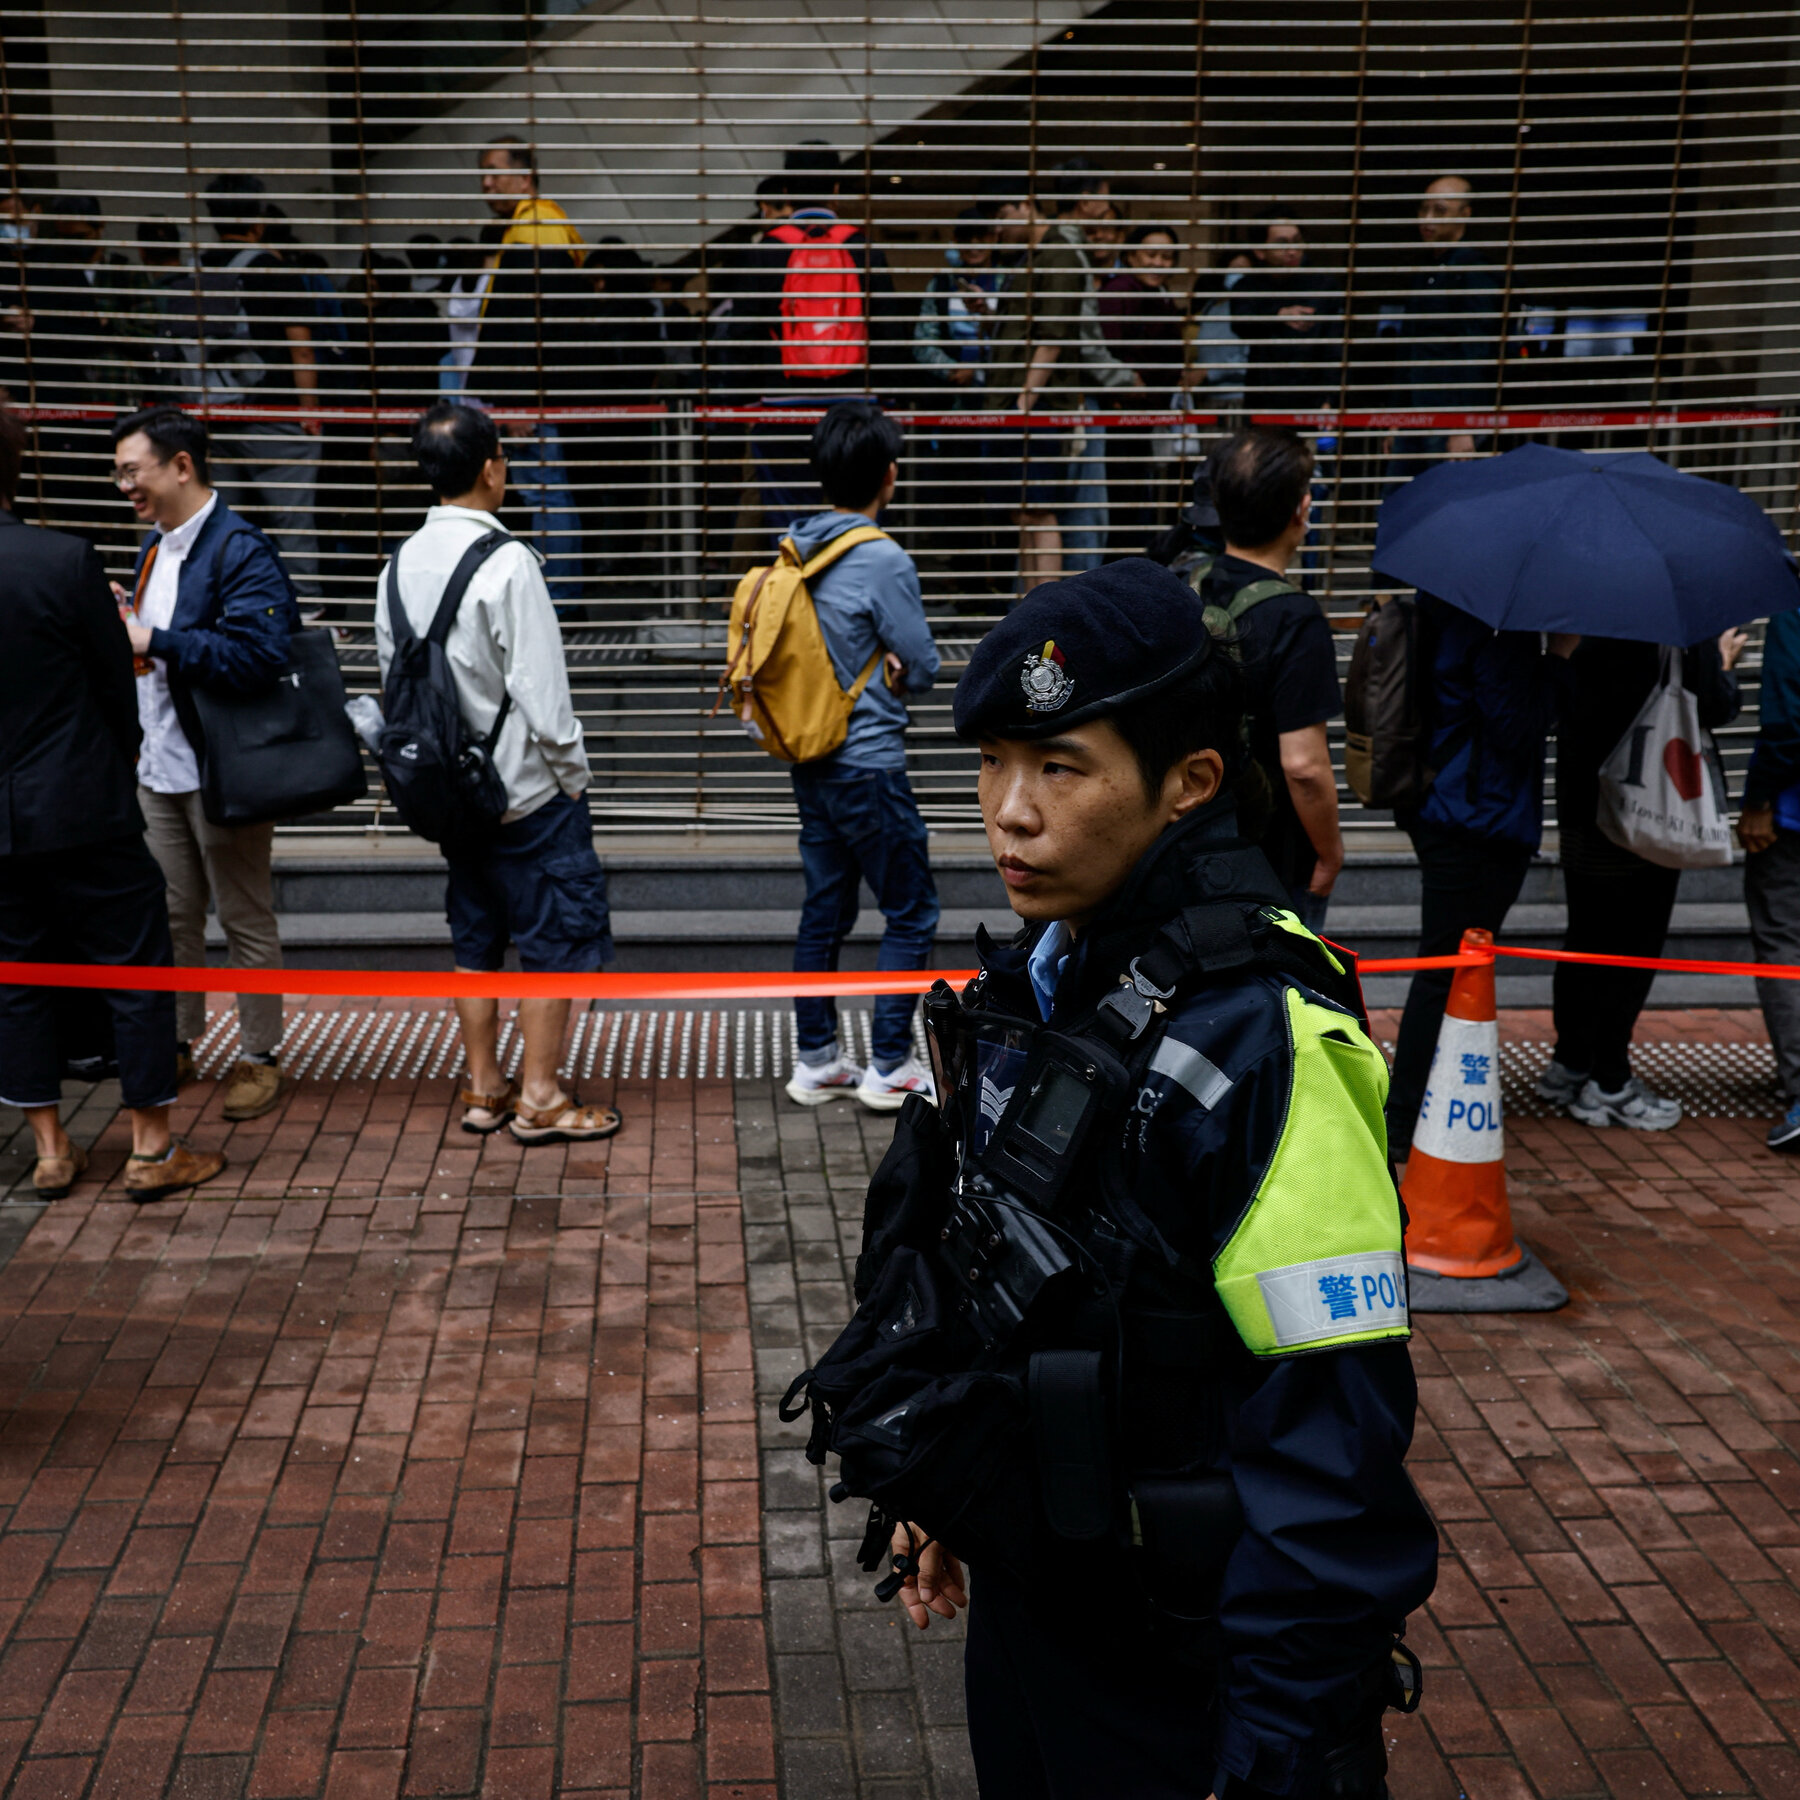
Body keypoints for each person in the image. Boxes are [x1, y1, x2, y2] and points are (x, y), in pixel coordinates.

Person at [832, 559, 1434, 1797]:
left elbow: (1331, 1447)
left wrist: (1277, 1746)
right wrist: (957, 1496)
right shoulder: (1053, 976)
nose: (1009, 811)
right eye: (993, 762)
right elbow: (1024, 1284)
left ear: (1190, 785)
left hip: (1189, 1662)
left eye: (1060, 767)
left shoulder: (1274, 1041)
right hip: (1040, 1612)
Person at [0, 397, 226, 1199]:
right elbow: (115, 686)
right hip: (84, 805)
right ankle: (152, 1148)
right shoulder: (62, 562)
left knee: (18, 978)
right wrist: (113, 765)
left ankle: (52, 1149)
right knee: (136, 965)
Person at [380, 402, 620, 1145]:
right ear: (490, 469)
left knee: (475, 937)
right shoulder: (509, 561)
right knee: (548, 941)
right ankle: (541, 1097)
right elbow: (545, 699)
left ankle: (485, 1089)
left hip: (449, 797)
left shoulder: (396, 564)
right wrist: (573, 775)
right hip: (523, 795)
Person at [110, 404, 297, 1122]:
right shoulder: (154, 547)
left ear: (180, 465)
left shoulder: (239, 548)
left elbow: (259, 656)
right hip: (159, 763)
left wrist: (152, 635)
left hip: (225, 770)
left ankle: (259, 1056)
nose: (125, 485)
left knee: (244, 915)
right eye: (121, 473)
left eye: (133, 471)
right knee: (170, 913)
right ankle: (182, 1040)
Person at [780, 402, 942, 1111]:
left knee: (824, 910)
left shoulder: (794, 546)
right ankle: (890, 1064)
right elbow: (925, 662)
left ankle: (817, 1059)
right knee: (910, 911)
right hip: (869, 762)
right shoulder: (881, 556)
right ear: (891, 476)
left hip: (811, 759)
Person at [1385, 597, 1579, 1159]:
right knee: (1445, 970)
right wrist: (1560, 658)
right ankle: (1404, 1121)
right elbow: (1516, 725)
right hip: (1478, 819)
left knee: (1445, 967)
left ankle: (1421, 1108)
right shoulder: (1500, 626)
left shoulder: (1441, 603)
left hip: (1445, 806)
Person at [1538, 632, 1743, 1131]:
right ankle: (1610, 1081)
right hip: (1650, 815)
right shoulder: (1674, 633)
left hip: (1585, 806)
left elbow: (1557, 707)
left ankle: (1570, 1063)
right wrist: (1723, 662)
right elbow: (1717, 704)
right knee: (1633, 947)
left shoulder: (1579, 624)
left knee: (1585, 937)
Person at [1184, 427, 1344, 933]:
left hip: (1186, 841)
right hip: (1271, 859)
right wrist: (1330, 853)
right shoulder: (1296, 617)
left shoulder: (1185, 586)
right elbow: (1304, 766)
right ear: (1301, 510)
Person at [732, 143, 900, 525]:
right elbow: (889, 328)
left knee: (789, 516)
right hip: (855, 405)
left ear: (787, 192)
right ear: (837, 189)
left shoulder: (767, 249)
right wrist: (888, 398)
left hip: (783, 405)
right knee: (858, 514)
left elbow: (743, 332)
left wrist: (744, 399)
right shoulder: (862, 246)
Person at [469, 137, 588, 608]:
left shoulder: (535, 232)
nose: (486, 182)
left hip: (532, 393)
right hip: (538, 390)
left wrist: (519, 398)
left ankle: (557, 598)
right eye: (483, 172)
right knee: (546, 492)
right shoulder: (536, 228)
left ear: (525, 178)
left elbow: (532, 326)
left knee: (546, 494)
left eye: (495, 170)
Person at [198, 175, 325, 603]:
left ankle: (230, 604)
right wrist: (309, 408)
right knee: (291, 518)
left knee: (222, 519)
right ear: (259, 218)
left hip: (213, 412)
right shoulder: (273, 268)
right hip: (275, 414)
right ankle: (305, 606)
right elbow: (300, 346)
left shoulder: (200, 267)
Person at [984, 180, 1091, 590]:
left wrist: (1024, 400)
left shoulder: (1059, 255)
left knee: (1040, 510)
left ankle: (1043, 616)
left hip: (1037, 407)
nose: (998, 228)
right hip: (1020, 404)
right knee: (1023, 510)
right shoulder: (1031, 257)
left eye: (1002, 216)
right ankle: (1031, 610)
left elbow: (1054, 334)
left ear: (1026, 205)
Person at [1380, 177, 1502, 482]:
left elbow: (1476, 351)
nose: (1427, 219)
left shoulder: (1474, 272)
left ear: (1464, 214)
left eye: (1440, 210)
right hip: (1414, 412)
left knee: (1443, 502)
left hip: (1448, 416)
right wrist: (1396, 417)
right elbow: (1408, 348)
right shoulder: (1426, 269)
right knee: (1401, 504)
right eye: (1423, 209)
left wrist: (1463, 425)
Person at [1736, 603, 1800, 1151]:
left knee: (1784, 938)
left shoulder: (1794, 609)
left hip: (1795, 812)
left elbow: (1787, 719)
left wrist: (1758, 798)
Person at [1100, 224, 1191, 552]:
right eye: (1150, 254)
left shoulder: (1159, 295)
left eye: (1167, 257)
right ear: (1130, 255)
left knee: (1137, 494)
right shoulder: (1120, 292)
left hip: (1146, 413)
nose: (1158, 263)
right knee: (1123, 496)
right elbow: (1109, 351)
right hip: (1121, 413)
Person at [1229, 216, 1342, 416]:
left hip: (1311, 399)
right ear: (1260, 251)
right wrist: (1277, 315)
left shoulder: (1322, 286)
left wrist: (1330, 398)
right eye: (1282, 244)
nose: (1292, 250)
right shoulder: (1248, 287)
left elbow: (1334, 348)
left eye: (1297, 241)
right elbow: (1240, 323)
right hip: (1263, 399)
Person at [912, 207, 999, 396]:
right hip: (949, 395)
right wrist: (953, 370)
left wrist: (980, 370)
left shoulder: (1009, 281)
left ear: (993, 238)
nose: (974, 246)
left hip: (999, 393)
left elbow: (1018, 339)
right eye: (967, 238)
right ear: (957, 242)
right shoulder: (941, 285)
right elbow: (923, 342)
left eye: (981, 237)